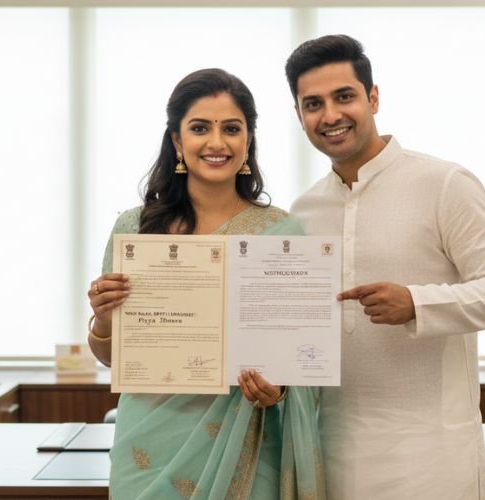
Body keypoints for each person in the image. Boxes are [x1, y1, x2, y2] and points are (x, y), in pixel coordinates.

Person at [285, 35, 485, 499]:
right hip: (330, 449)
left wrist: (418, 302)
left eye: (344, 96)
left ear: (373, 97)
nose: (330, 115)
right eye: (313, 103)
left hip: (432, 456)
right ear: (299, 116)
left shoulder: (444, 184)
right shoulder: (301, 212)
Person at [85, 68, 324, 499]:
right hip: (149, 446)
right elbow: (110, 356)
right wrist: (102, 319)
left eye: (231, 129)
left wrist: (279, 389)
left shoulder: (280, 232)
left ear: (248, 140)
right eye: (200, 128)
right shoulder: (136, 228)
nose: (217, 143)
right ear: (177, 140)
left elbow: (301, 360)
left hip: (248, 442)